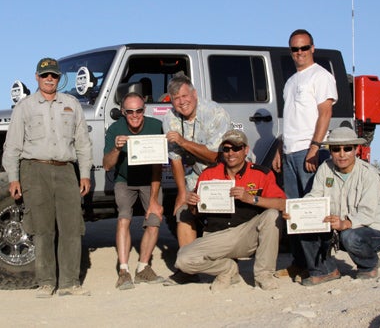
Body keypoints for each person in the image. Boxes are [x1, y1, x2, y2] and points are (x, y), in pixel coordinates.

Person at [2, 57, 93, 298]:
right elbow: (12, 145)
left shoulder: (72, 104)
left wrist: (84, 174)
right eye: (45, 76)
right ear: (37, 77)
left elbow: (83, 143)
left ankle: (70, 282)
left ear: (59, 78)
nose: (49, 79)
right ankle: (46, 282)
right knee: (42, 228)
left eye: (53, 75)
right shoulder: (25, 107)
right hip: (34, 170)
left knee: (72, 227)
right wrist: (14, 177)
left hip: (65, 170)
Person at [174, 130, 286, 292]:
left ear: (246, 150)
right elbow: (196, 213)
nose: (230, 153)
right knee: (183, 260)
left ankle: (264, 274)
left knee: (272, 215)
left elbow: (282, 204)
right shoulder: (209, 174)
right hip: (216, 235)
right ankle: (227, 269)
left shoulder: (261, 173)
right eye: (226, 149)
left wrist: (251, 199)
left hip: (246, 234)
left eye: (236, 148)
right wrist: (192, 204)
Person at [285, 126, 380, 286]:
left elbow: (367, 213)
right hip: (337, 228)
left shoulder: (369, 174)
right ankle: (325, 270)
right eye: (336, 149)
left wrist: (345, 224)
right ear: (331, 151)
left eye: (347, 148)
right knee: (304, 225)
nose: (342, 154)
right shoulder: (324, 169)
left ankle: (369, 264)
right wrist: (298, 211)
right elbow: (315, 196)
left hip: (371, 231)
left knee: (350, 236)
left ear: (355, 149)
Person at [272, 29, 338, 278]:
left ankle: (323, 268)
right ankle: (300, 262)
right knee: (294, 210)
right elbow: (289, 119)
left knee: (312, 211)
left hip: (307, 152)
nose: (299, 53)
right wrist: (280, 149)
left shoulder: (320, 76)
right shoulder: (291, 81)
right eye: (294, 49)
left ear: (312, 48)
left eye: (303, 48)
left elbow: (325, 113)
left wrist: (314, 147)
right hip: (289, 151)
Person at [162, 74, 230, 284]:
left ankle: (223, 265)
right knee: (183, 212)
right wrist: (182, 192)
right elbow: (175, 158)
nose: (181, 101)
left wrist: (182, 141)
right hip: (196, 173)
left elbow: (214, 155)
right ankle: (187, 268)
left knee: (219, 215)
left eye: (184, 95)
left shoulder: (215, 112)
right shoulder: (170, 118)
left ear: (195, 94)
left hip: (223, 171)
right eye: (176, 98)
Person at [103, 92, 166, 290]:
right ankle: (123, 271)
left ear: (144, 110)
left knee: (154, 218)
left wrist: (154, 199)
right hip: (125, 179)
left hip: (150, 179)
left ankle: (143, 268)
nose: (135, 115)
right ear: (123, 112)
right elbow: (106, 165)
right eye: (130, 111)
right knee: (124, 218)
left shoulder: (155, 126)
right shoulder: (115, 129)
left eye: (139, 110)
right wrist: (115, 148)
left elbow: (158, 166)